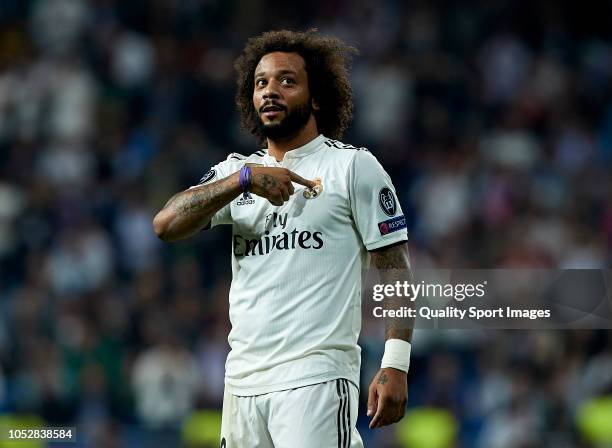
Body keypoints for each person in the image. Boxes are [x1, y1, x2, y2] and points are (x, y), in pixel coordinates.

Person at [153, 29, 414, 448]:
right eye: (261, 83)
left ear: (315, 97)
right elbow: (165, 224)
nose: (270, 91)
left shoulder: (351, 167)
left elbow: (396, 271)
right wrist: (243, 180)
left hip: (316, 377)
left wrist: (395, 364)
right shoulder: (236, 172)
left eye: (286, 81)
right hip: (241, 382)